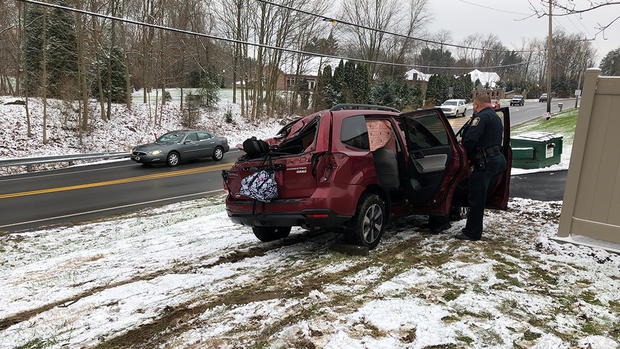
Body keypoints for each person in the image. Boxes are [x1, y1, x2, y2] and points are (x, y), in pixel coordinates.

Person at [456, 94, 507, 241]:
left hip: (484, 163)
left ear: (477, 105)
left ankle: (472, 232)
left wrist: (463, 150)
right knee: (481, 195)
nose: (473, 109)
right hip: (496, 161)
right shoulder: (495, 117)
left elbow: (471, 139)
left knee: (476, 198)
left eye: (473, 106)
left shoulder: (480, 118)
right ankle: (473, 229)